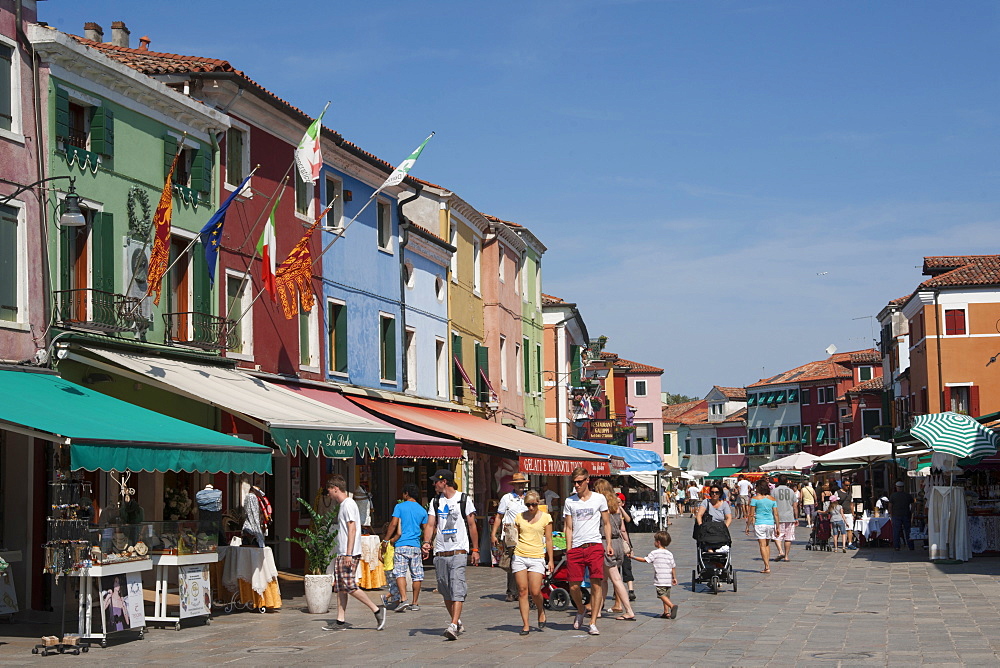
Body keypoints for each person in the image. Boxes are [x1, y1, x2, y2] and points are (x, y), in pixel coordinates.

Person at [421, 469, 479, 641]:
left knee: (457, 586)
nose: (433, 484)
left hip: (459, 550)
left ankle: (453, 625)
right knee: (444, 588)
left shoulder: (463, 499)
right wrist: (426, 542)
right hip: (440, 551)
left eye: (435, 482)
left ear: (444, 482)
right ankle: (458, 621)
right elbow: (431, 524)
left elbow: (472, 525)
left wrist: (475, 550)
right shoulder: (435, 501)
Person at [323, 476, 387, 631]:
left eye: (329, 490)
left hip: (348, 553)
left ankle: (376, 610)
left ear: (335, 488)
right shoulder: (345, 505)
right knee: (341, 587)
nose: (328, 494)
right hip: (343, 552)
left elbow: (352, 528)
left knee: (349, 586)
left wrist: (349, 554)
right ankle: (340, 620)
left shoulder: (348, 505)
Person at [564, 467, 613, 636]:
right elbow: (568, 527)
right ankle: (580, 609)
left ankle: (593, 621)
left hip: (594, 544)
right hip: (576, 547)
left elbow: (606, 523)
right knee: (574, 585)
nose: (576, 485)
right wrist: (568, 548)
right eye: (574, 482)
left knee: (596, 583)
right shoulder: (570, 501)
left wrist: (608, 544)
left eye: (579, 482)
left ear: (587, 480)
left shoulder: (599, 498)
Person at [512, 490, 554, 635]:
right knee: (522, 591)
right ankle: (525, 625)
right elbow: (515, 535)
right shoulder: (519, 517)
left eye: (534, 505)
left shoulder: (546, 518)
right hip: (520, 555)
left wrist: (551, 560)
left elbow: (549, 539)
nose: (531, 508)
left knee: (535, 590)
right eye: (528, 505)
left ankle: (541, 610)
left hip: (537, 556)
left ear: (538, 503)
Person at [593, 478, 636, 621]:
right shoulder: (616, 505)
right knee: (604, 579)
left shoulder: (600, 506)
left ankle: (629, 610)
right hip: (618, 543)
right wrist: (629, 546)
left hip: (607, 542)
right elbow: (623, 529)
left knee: (616, 578)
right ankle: (598, 610)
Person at [383, 483, 427, 612]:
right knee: (417, 575)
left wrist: (386, 539)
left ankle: (403, 599)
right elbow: (427, 528)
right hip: (415, 546)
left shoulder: (399, 507)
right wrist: (426, 543)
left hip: (401, 545)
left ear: (406, 493)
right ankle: (415, 602)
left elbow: (393, 524)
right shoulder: (422, 510)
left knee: (400, 573)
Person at [491, 472, 529, 602]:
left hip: (526, 533)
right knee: (513, 562)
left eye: (522, 484)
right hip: (511, 534)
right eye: (518, 484)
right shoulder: (507, 498)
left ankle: (523, 589)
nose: (521, 486)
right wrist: (494, 534)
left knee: (524, 561)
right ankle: (512, 591)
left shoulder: (528, 498)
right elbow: (499, 516)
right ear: (514, 485)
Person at [630, 531, 678, 619]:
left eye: (655, 540)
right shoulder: (670, 553)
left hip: (660, 578)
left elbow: (645, 560)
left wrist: (633, 557)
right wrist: (674, 578)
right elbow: (673, 566)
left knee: (661, 595)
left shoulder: (655, 553)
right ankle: (666, 612)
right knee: (666, 595)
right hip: (668, 578)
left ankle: (672, 606)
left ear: (658, 542)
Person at [746, 478, 780, 573]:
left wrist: (747, 526)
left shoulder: (755, 499)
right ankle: (767, 565)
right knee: (767, 544)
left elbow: (751, 514)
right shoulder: (772, 499)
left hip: (760, 523)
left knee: (762, 545)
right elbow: (776, 514)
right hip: (770, 524)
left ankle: (767, 566)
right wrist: (777, 527)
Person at [772, 475, 798, 562]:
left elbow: (771, 504)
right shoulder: (791, 491)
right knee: (788, 537)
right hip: (789, 517)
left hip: (777, 516)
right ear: (787, 481)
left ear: (778, 481)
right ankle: (786, 556)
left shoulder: (774, 491)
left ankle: (780, 551)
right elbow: (795, 506)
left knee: (777, 536)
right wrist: (796, 517)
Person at [888, 481, 915, 551]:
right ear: (903, 487)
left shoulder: (893, 496)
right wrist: (911, 512)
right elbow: (913, 505)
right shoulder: (907, 495)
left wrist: (891, 515)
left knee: (896, 531)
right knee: (908, 531)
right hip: (906, 514)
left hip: (896, 515)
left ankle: (897, 546)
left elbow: (890, 506)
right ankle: (911, 546)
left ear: (896, 488)